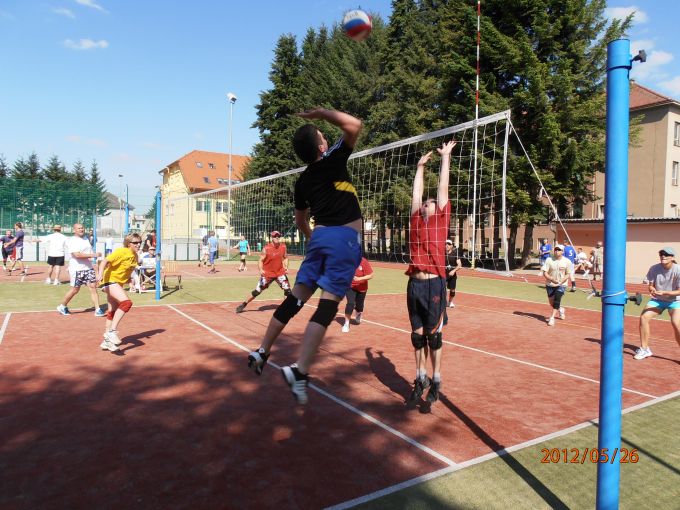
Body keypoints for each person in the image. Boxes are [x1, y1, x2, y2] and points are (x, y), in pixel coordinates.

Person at [246, 107, 363, 405]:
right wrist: (321, 113)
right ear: (322, 147)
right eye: (323, 136)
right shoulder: (333, 159)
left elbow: (301, 222)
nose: (326, 138)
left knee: (296, 298)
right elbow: (354, 124)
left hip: (320, 238)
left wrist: (314, 239)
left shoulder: (302, 182)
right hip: (343, 239)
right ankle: (300, 370)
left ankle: (262, 351)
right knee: (328, 305)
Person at [405, 140, 455, 405]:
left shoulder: (441, 221)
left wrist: (445, 157)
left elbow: (442, 189)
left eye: (429, 203)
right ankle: (420, 377)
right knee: (417, 336)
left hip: (434, 284)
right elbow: (416, 194)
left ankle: (436, 379)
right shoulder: (415, 221)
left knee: (433, 336)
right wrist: (420, 168)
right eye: (424, 203)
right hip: (414, 284)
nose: (425, 204)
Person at [97, 233, 142, 352]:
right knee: (126, 303)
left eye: (139, 242)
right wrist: (100, 273)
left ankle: (107, 342)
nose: (138, 244)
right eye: (135, 242)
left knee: (112, 312)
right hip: (109, 281)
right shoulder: (121, 252)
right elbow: (105, 261)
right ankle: (112, 332)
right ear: (128, 243)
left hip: (117, 284)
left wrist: (130, 282)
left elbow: (125, 272)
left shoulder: (135, 256)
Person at [634, 247, 680, 360]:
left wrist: (665, 292)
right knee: (644, 317)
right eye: (661, 254)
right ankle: (644, 349)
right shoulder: (654, 268)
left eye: (666, 254)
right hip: (658, 300)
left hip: (675, 301)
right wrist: (652, 289)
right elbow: (650, 285)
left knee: (676, 323)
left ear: (672, 257)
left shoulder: (678, 270)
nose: (663, 256)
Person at [236, 231, 291, 313]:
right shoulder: (266, 248)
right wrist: (261, 269)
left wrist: (286, 267)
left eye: (278, 236)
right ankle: (243, 304)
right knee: (257, 291)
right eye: (275, 236)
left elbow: (285, 257)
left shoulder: (283, 247)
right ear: (272, 237)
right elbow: (260, 260)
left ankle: (285, 308)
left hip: (280, 273)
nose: (277, 237)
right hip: (267, 274)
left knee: (288, 290)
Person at [57, 223, 105, 317]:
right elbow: (76, 255)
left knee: (93, 287)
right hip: (77, 269)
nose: (81, 229)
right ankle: (62, 306)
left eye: (82, 228)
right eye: (79, 228)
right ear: (74, 230)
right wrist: (93, 255)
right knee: (75, 289)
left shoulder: (86, 239)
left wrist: (94, 263)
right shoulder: (72, 241)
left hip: (88, 268)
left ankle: (98, 309)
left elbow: (89, 252)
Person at [541, 244, 573, 326]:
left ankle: (552, 318)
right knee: (551, 302)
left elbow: (568, 274)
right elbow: (545, 272)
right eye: (556, 249)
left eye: (559, 250)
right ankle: (560, 309)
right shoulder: (549, 260)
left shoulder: (567, 261)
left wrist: (561, 282)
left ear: (562, 251)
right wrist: (551, 279)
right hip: (550, 284)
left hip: (562, 284)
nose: (557, 251)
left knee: (557, 299)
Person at [341, 256, 374, 333]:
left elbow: (371, 275)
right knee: (350, 303)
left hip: (362, 287)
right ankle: (346, 323)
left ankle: (358, 313)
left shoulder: (363, 261)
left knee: (359, 306)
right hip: (350, 286)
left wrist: (359, 279)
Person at [445, 239, 462, 308]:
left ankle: (450, 302)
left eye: (449, 244)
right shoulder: (442, 253)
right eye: (446, 244)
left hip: (452, 275)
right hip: (444, 274)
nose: (447, 245)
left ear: (451, 246)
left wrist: (453, 271)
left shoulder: (455, 254)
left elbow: (459, 265)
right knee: (443, 289)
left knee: (452, 290)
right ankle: (444, 301)